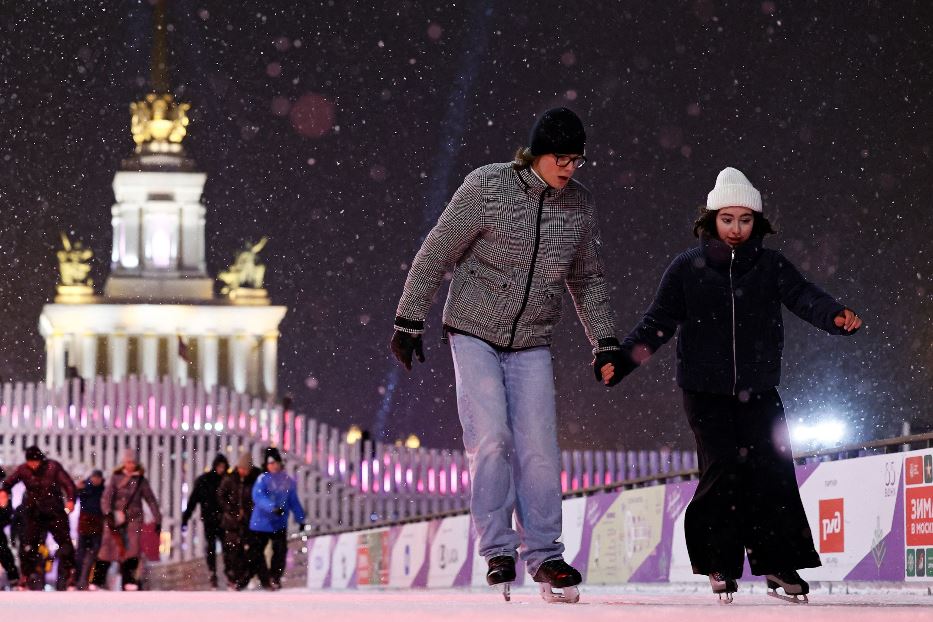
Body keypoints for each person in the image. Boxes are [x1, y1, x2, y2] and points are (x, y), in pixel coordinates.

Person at [390, 107, 625, 602]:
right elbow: (437, 250)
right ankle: (498, 548)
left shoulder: (579, 207)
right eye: (560, 158)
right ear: (536, 154)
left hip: (532, 341)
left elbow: (588, 279)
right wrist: (409, 320)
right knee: (492, 437)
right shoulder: (489, 187)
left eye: (576, 160)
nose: (568, 168)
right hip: (473, 330)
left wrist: (604, 342)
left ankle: (545, 555)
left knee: (540, 449)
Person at [601, 167, 862, 603]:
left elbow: (804, 296)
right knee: (722, 468)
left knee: (772, 471)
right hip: (704, 392)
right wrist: (622, 361)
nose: (736, 229)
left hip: (759, 389)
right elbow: (658, 322)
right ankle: (719, 562)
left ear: (757, 222)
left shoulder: (772, 265)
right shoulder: (687, 267)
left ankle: (778, 563)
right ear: (711, 220)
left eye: (745, 220)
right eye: (727, 219)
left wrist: (835, 316)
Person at [0, 446, 76, 590]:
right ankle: (26, 576)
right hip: (34, 513)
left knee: (65, 544)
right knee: (28, 546)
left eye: (35, 462)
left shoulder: (53, 467)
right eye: (30, 462)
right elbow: (9, 482)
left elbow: (68, 484)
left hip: (55, 512)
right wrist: (3, 492)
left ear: (41, 460)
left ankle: (69, 575)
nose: (33, 465)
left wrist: (71, 500)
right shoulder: (23, 469)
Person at [94, 448, 162, 591]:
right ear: (123, 463)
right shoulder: (115, 477)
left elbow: (151, 500)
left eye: (132, 462)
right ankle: (97, 581)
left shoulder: (141, 480)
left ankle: (129, 580)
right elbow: (106, 497)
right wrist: (108, 513)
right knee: (107, 547)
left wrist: (158, 519)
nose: (130, 465)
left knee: (133, 548)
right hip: (115, 517)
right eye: (127, 462)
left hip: (134, 517)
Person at [247, 447, 305, 590]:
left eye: (275, 462)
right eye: (270, 463)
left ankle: (275, 577)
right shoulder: (262, 479)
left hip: (279, 524)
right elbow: (258, 497)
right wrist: (273, 507)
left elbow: (293, 501)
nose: (273, 466)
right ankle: (264, 578)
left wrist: (300, 518)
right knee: (256, 553)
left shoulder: (288, 481)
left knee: (280, 551)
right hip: (261, 524)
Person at [181, 453, 229, 589]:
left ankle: (225, 572)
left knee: (225, 546)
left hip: (222, 519)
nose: (221, 469)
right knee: (213, 546)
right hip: (211, 519)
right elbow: (193, 501)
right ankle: (214, 572)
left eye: (223, 467)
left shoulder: (225, 480)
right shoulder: (206, 481)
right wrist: (186, 518)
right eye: (219, 466)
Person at [218, 451, 262, 589]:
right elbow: (221, 496)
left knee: (247, 552)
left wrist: (248, 511)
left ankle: (242, 579)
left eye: (245, 469)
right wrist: (233, 511)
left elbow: (258, 498)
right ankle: (233, 578)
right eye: (240, 468)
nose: (242, 471)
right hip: (232, 522)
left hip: (249, 522)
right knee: (232, 551)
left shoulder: (256, 479)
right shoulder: (230, 479)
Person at [74, 469, 105, 590]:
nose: (95, 480)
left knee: (94, 554)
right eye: (94, 477)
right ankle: (79, 580)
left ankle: (88, 581)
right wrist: (78, 489)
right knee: (81, 554)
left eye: (98, 478)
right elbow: (73, 496)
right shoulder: (84, 488)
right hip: (85, 524)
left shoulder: (103, 490)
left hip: (97, 524)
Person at [0, 466, 21, 590]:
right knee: (4, 552)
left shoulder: (5, 490)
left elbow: (8, 513)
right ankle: (13, 578)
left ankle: (14, 578)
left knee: (4, 552)